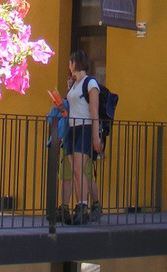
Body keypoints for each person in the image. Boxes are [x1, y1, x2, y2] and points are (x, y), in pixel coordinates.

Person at [64, 50, 102, 225]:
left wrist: (96, 137)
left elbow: (94, 111)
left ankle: (84, 206)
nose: (69, 66)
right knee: (75, 171)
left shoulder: (90, 83)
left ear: (76, 63)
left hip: (85, 128)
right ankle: (80, 206)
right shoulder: (74, 84)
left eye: (71, 62)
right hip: (73, 128)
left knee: (80, 169)